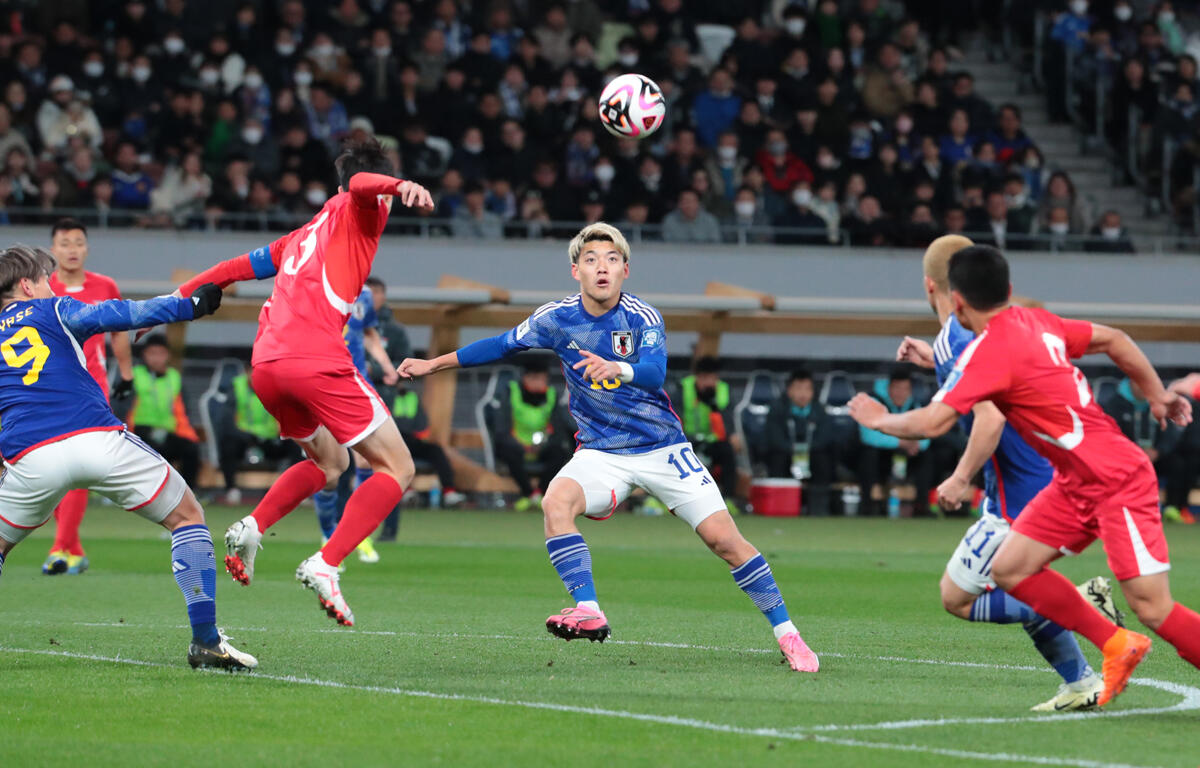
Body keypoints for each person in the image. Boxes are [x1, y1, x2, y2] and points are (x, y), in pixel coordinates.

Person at [398, 223, 819, 672]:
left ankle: (788, 635)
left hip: (662, 448)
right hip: (601, 452)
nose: (603, 267)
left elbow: (656, 372)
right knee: (555, 503)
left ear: (626, 270)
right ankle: (588, 609)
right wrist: (434, 363)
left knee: (725, 541)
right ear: (575, 270)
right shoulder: (555, 318)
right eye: (593, 260)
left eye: (612, 260)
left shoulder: (642, 316)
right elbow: (502, 346)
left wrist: (616, 367)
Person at [849, 244, 1200, 708]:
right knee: (1011, 570)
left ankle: (1112, 643)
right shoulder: (1037, 322)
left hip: (1116, 479)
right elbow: (1115, 338)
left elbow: (933, 422)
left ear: (956, 301)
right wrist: (1156, 395)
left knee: (1151, 606)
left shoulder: (988, 353)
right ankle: (1116, 643)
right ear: (1009, 291)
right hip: (1074, 481)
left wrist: (877, 420)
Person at [173, 136, 433, 627]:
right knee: (397, 468)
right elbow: (360, 185)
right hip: (314, 358)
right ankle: (326, 562)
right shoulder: (366, 208)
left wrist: (175, 300)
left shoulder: (300, 236)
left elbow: (230, 270)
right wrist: (400, 186)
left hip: (267, 366)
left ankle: (254, 526)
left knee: (330, 462)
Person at [0, 244, 251, 669]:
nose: (50, 286)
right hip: (94, 438)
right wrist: (186, 306)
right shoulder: (52, 310)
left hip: (27, 457)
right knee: (187, 517)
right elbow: (114, 314)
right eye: (44, 279)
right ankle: (206, 643)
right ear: (27, 285)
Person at [895, 236, 1117, 711]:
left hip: (1020, 492)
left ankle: (1079, 605)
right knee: (1015, 581)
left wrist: (959, 477)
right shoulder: (964, 335)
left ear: (929, 286)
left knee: (957, 597)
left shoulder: (958, 337)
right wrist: (933, 358)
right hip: (1034, 479)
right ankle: (1079, 682)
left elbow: (991, 416)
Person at [41, 218, 135, 576]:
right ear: (53, 249)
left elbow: (120, 329)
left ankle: (59, 548)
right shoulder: (41, 287)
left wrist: (125, 374)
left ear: (86, 248)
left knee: (79, 469)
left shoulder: (104, 285)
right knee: (52, 469)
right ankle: (73, 549)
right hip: (47, 388)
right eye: (65, 243)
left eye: (78, 242)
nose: (72, 249)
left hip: (91, 389)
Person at [311, 283, 400, 562]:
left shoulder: (363, 295)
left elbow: (369, 333)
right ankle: (328, 532)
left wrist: (385, 365)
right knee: (330, 470)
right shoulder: (316, 286)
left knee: (368, 461)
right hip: (321, 382)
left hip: (356, 383)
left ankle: (357, 535)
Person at [1100, 377, 1198, 524]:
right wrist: (1133, 452)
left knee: (1179, 463)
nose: (1143, 388)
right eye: (1140, 383)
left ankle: (1174, 508)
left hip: (1155, 456)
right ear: (1132, 383)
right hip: (1127, 457)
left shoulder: (1158, 402)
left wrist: (1158, 451)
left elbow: (1170, 433)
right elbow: (1108, 435)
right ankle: (1115, 509)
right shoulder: (1114, 404)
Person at [492, 358, 572, 511]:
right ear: (525, 377)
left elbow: (558, 429)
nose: (538, 382)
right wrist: (520, 444)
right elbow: (501, 427)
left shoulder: (551, 395)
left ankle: (541, 493)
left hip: (541, 447)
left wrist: (543, 444)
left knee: (559, 451)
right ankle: (528, 494)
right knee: (507, 450)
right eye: (534, 378)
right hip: (515, 445)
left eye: (542, 378)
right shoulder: (510, 392)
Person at [855, 369, 934, 516]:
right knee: (868, 453)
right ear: (889, 388)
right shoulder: (873, 402)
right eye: (897, 388)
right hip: (880, 458)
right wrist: (900, 442)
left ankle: (922, 506)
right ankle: (868, 506)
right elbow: (869, 437)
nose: (901, 393)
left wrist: (912, 444)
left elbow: (926, 435)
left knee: (926, 455)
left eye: (905, 389)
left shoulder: (916, 405)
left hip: (906, 456)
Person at [128, 334, 201, 488]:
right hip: (139, 431)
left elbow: (182, 412)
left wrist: (189, 435)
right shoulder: (133, 375)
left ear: (167, 355)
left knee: (191, 449)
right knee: (153, 448)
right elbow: (123, 407)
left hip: (168, 431)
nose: (156, 358)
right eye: (152, 353)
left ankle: (188, 493)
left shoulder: (174, 377)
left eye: (161, 353)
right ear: (144, 355)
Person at [219, 369, 295, 505]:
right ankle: (232, 490)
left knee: (297, 444)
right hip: (244, 438)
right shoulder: (236, 387)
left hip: (269, 439)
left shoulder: (276, 387)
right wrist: (245, 436)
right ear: (246, 371)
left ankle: (296, 491)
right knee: (228, 444)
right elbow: (227, 421)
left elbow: (286, 415)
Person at [677, 357, 740, 511]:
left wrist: (713, 406)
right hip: (687, 440)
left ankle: (728, 499)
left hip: (714, 440)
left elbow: (727, 425)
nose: (709, 383)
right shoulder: (683, 388)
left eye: (713, 378)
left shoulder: (723, 390)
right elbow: (675, 417)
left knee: (728, 451)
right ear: (696, 377)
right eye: (704, 378)